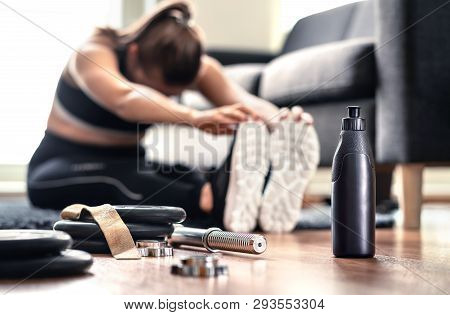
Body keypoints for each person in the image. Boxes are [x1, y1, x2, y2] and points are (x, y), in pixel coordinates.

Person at [27, 0, 319, 233]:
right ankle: (211, 201)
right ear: (133, 53)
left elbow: (244, 103)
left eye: (172, 93)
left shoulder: (198, 67)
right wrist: (194, 117)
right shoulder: (94, 54)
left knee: (185, 173)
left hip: (133, 157)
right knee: (124, 181)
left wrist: (284, 120)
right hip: (59, 166)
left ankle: (227, 194)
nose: (164, 98)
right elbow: (126, 100)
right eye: (157, 90)